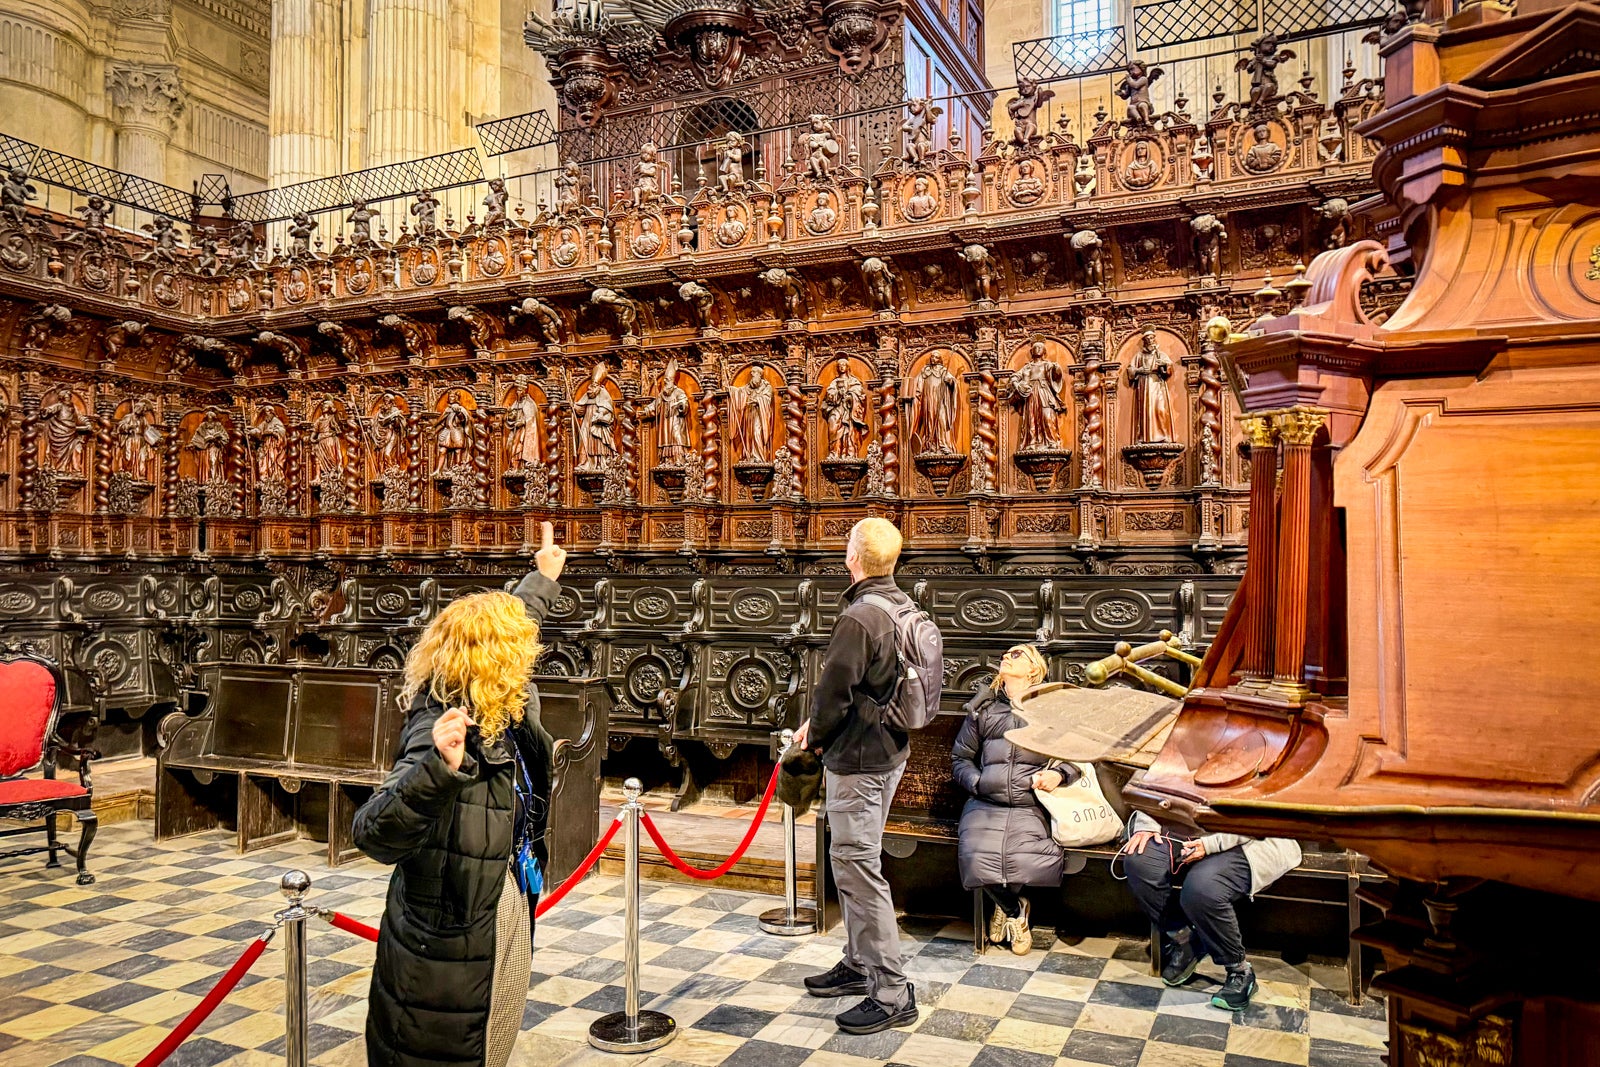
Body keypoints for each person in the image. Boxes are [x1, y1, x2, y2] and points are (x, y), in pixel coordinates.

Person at [353, 521, 568, 1067]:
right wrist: (438, 770)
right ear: (492, 662)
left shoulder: (502, 705)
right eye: (517, 651)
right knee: (468, 1049)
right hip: (449, 942)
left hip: (507, 897)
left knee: (499, 1032)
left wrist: (542, 577)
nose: (530, 655)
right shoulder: (442, 723)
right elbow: (373, 832)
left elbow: (517, 618)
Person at [794, 517, 919, 1034]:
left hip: (860, 761)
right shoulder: (902, 606)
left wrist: (814, 733)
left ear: (853, 557)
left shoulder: (861, 617)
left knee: (856, 866)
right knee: (847, 861)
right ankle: (858, 961)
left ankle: (891, 990)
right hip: (888, 750)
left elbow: (833, 693)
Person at [1120, 809, 1301, 1010]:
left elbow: (1258, 815)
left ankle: (1240, 971)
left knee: (1201, 888)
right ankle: (1185, 939)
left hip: (1251, 836)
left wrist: (1209, 845)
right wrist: (1146, 824)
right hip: (1181, 828)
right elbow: (1152, 785)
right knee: (1140, 861)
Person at [952, 644, 1067, 955]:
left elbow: (1078, 756)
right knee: (975, 856)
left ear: (1034, 669)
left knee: (1024, 857)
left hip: (1031, 803)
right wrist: (979, 783)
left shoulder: (1050, 710)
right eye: (1005, 653)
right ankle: (1016, 910)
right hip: (986, 802)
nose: (1006, 655)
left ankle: (1004, 909)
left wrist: (1059, 775)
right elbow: (960, 758)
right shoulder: (984, 709)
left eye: (1017, 655)